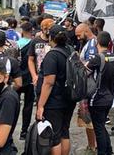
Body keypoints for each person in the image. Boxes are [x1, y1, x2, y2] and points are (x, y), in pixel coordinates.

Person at [36, 25, 76, 155]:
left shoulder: (52, 55)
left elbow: (48, 82)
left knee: (54, 135)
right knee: (65, 131)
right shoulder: (71, 50)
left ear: (51, 37)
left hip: (54, 101)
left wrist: (41, 105)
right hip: (69, 97)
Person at [85, 31, 114, 155]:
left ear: (97, 43)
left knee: (98, 128)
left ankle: (103, 152)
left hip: (97, 98)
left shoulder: (98, 58)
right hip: (110, 96)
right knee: (101, 125)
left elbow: (84, 71)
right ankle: (109, 150)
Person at [78, 22, 98, 153]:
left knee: (89, 120)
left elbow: (90, 67)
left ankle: (93, 145)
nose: (78, 38)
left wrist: (78, 65)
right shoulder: (93, 42)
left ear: (86, 31)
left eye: (79, 35)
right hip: (92, 86)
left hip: (89, 86)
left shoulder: (92, 44)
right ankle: (92, 144)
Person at [17, 22, 35, 140]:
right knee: (28, 106)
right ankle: (24, 132)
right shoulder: (34, 44)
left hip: (17, 77)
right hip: (30, 77)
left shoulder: (16, 44)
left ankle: (9, 129)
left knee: (14, 105)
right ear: (32, 30)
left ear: (22, 31)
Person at [28, 18, 53, 96]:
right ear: (41, 28)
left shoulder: (55, 41)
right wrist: (34, 76)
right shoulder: (35, 41)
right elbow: (30, 59)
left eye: (50, 29)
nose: (47, 31)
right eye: (45, 29)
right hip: (39, 76)